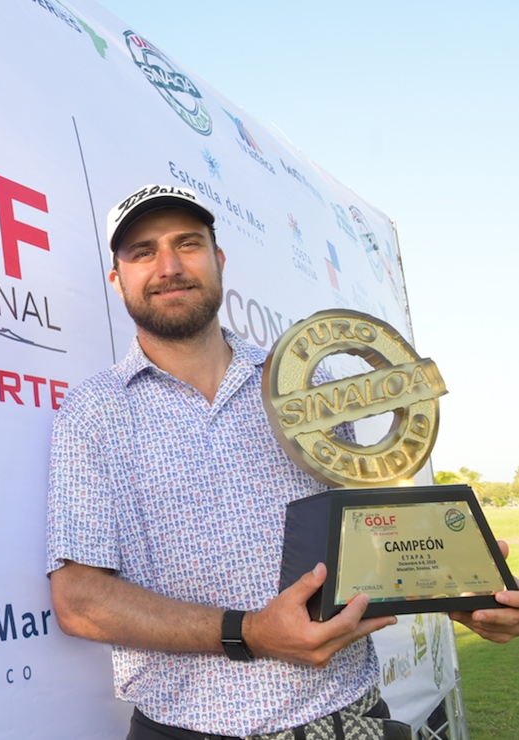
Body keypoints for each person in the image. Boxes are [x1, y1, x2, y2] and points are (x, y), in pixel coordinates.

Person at [45, 184, 519, 740]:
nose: (169, 266)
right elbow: (79, 599)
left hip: (348, 717)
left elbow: (363, 534)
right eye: (143, 252)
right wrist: (247, 632)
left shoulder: (303, 384)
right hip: (187, 728)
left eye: (188, 243)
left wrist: (454, 587)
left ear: (219, 260)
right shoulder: (92, 411)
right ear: (117, 277)